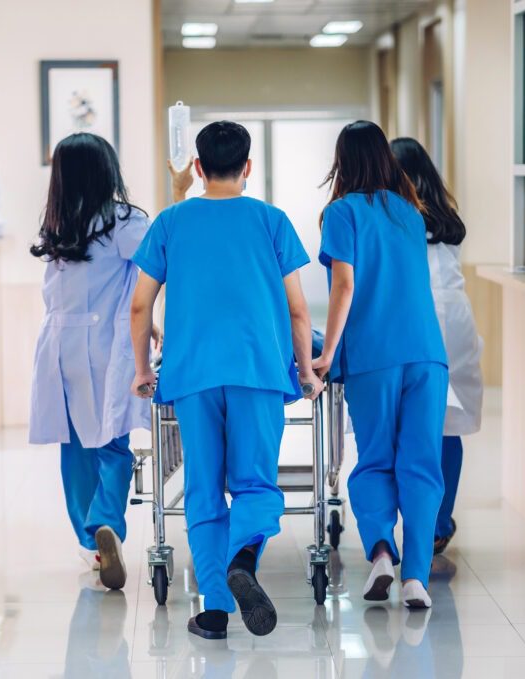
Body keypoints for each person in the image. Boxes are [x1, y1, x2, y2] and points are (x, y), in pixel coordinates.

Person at [129, 121, 324, 639]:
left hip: (193, 373)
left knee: (202, 488)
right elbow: (299, 311)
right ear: (248, 167)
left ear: (197, 167)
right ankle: (244, 556)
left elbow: (138, 306)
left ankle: (214, 608)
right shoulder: (272, 221)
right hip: (258, 369)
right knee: (255, 482)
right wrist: (305, 372)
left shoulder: (171, 222)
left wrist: (143, 370)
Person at [312, 121, 449, 609]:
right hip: (427, 355)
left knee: (374, 460)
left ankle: (382, 554)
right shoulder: (410, 213)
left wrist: (327, 353)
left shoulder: (341, 213)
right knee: (421, 465)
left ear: (342, 162)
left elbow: (344, 287)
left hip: (374, 356)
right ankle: (416, 577)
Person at [28, 132, 154, 591]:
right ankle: (107, 523)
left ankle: (92, 542)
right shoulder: (122, 220)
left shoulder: (56, 225)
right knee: (113, 443)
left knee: (75, 448)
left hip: (59, 347)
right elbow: (157, 267)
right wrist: (151, 322)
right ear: (108, 170)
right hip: (105, 346)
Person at [391, 137, 483, 555]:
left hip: (418, 323)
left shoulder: (396, 216)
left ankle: (421, 517)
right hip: (455, 322)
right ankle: (438, 522)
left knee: (409, 425)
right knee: (447, 424)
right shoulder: (448, 216)